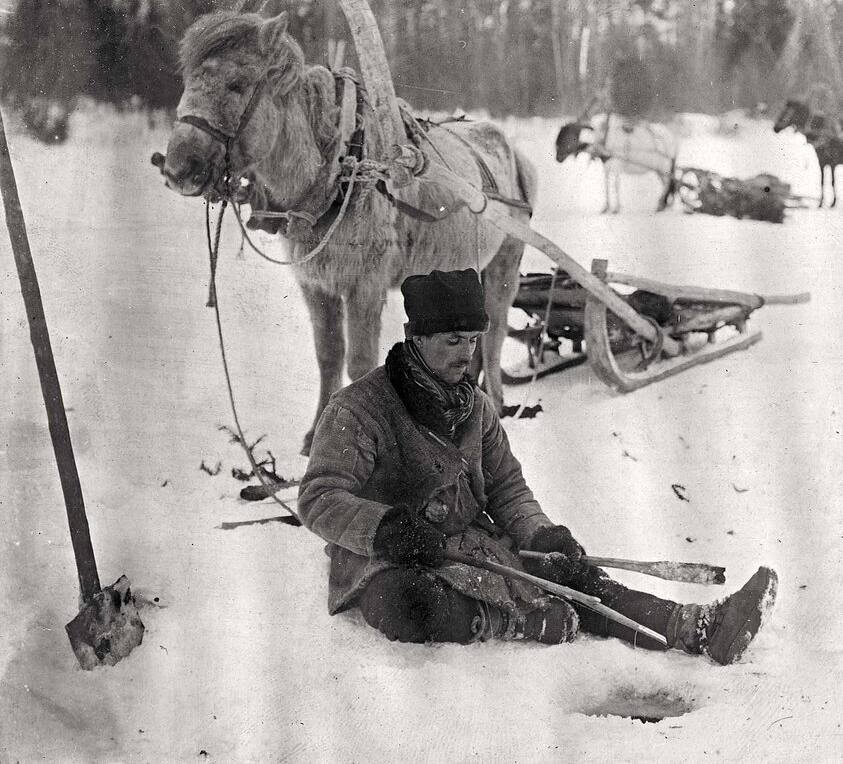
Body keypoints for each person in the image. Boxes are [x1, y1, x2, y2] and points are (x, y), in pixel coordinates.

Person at [297, 268, 777, 663]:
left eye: (474, 340)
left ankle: (692, 626)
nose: (467, 354)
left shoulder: (476, 406)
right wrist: (386, 529)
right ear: (414, 337)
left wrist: (540, 535)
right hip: (389, 553)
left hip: (472, 544)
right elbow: (319, 498)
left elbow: (507, 487)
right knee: (404, 603)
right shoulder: (359, 408)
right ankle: (517, 621)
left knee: (569, 571)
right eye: (452, 340)